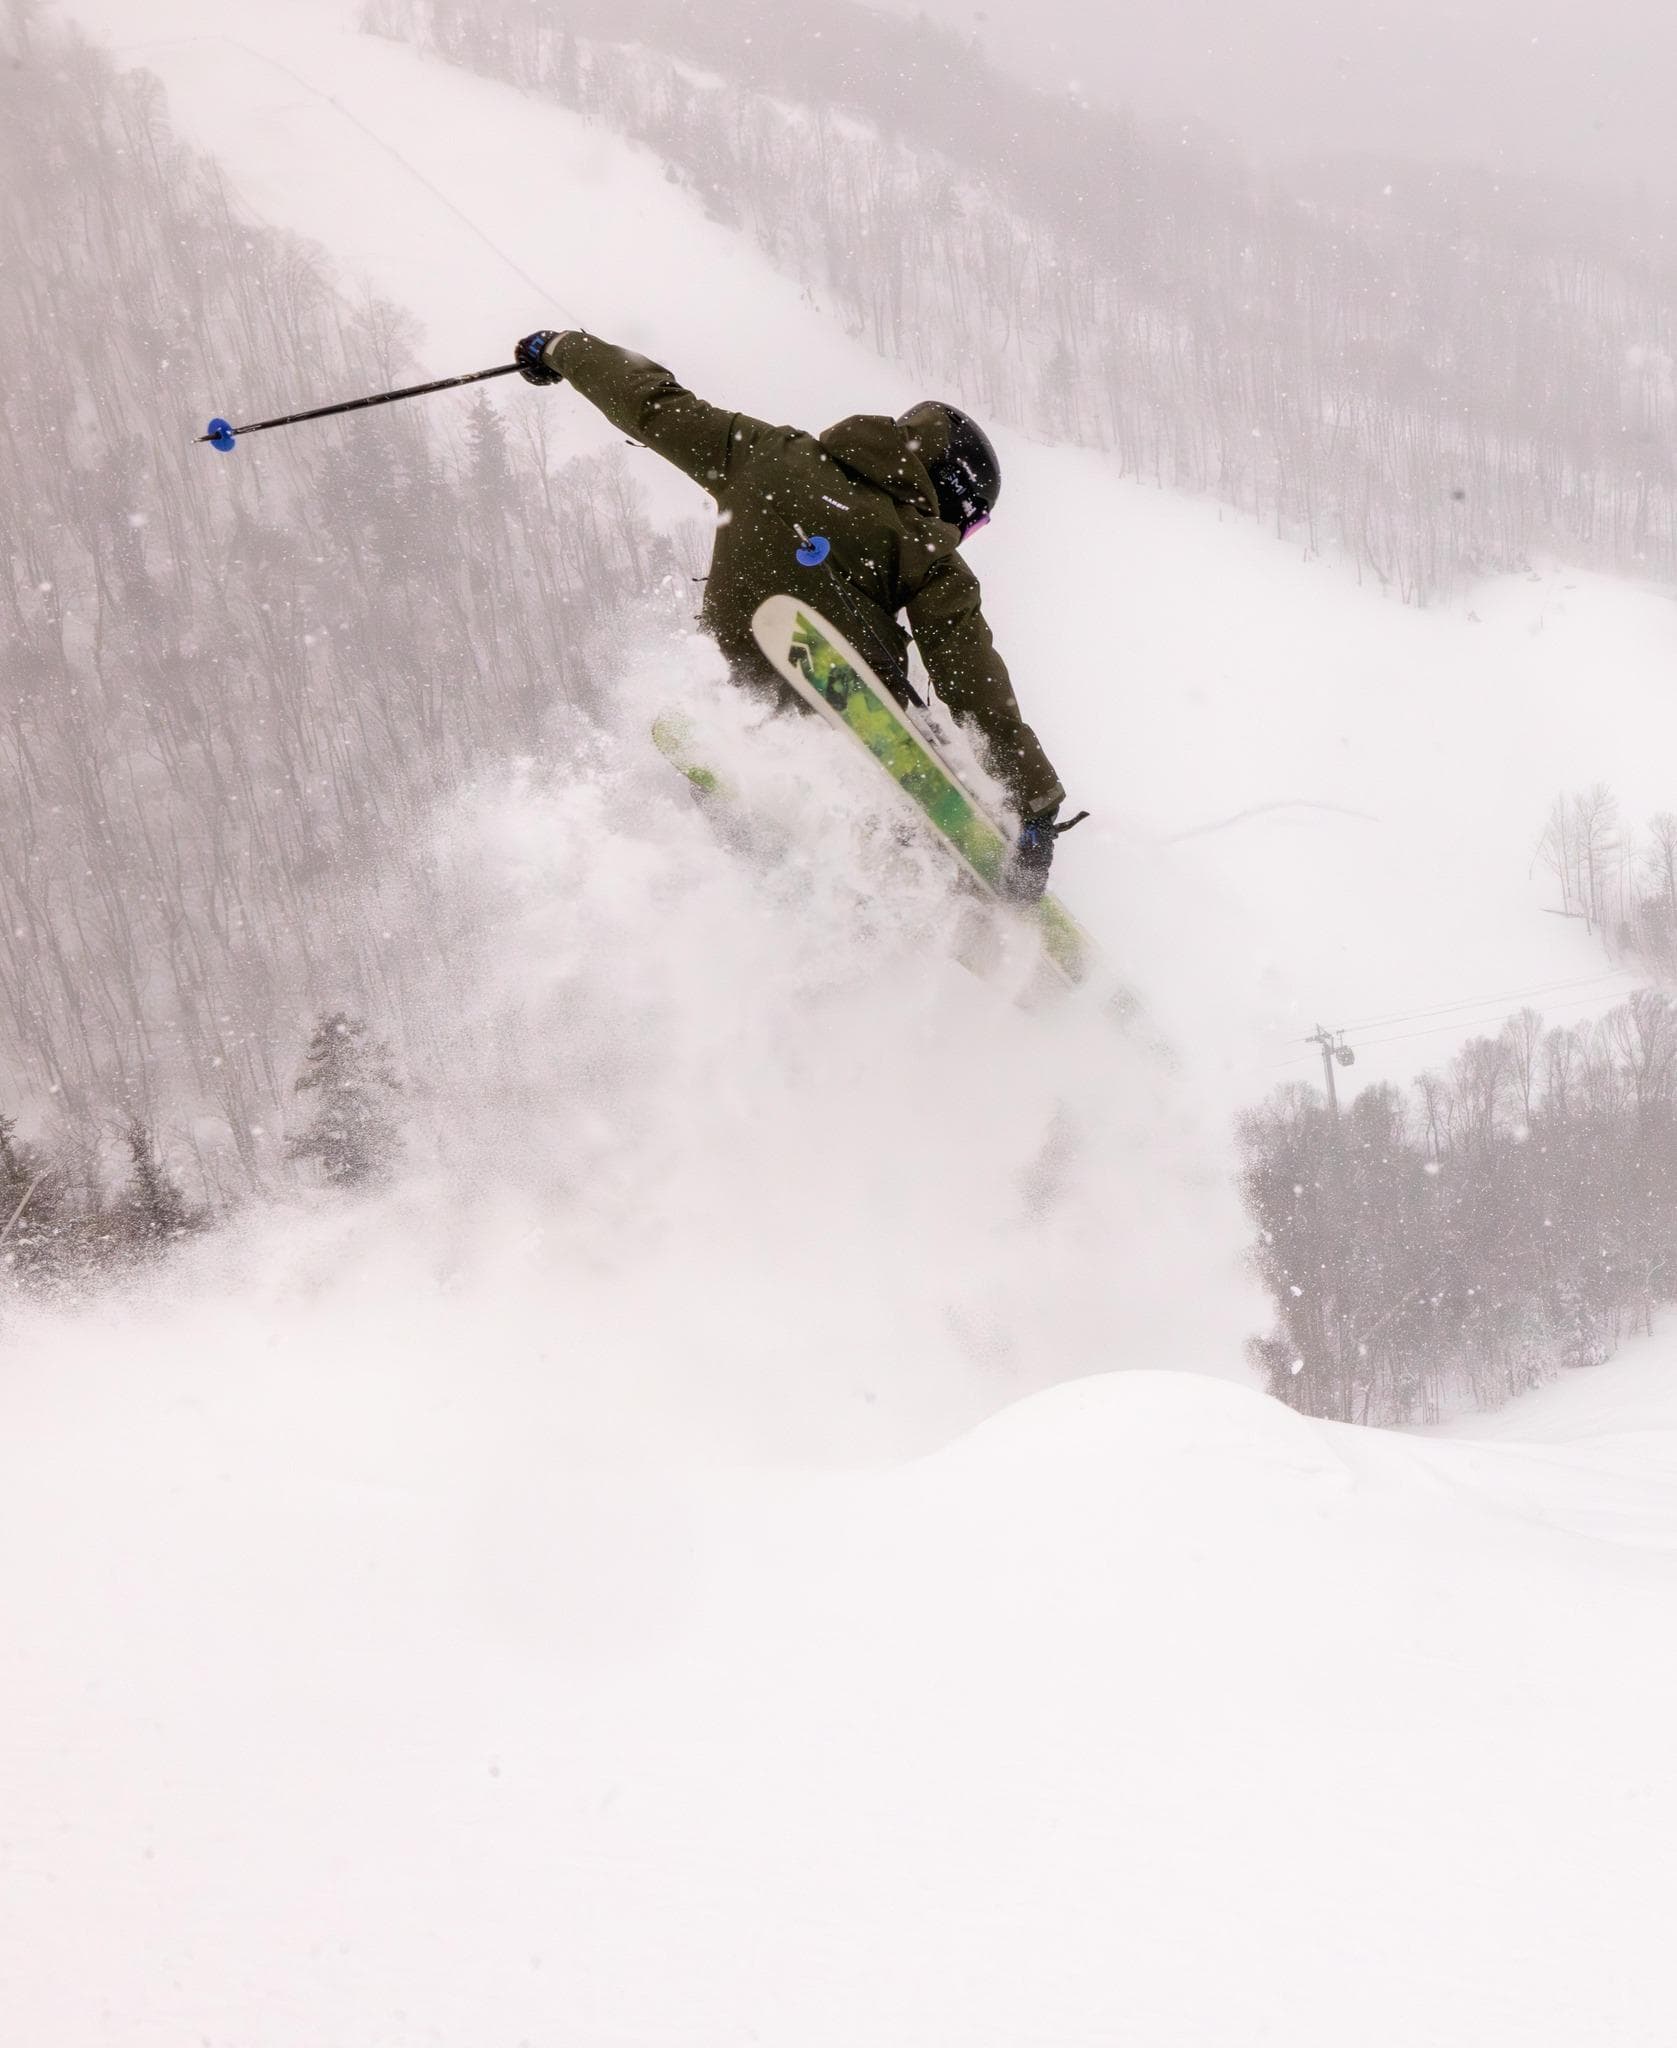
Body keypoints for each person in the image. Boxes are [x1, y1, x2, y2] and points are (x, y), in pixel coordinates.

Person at [514, 328, 1079, 898]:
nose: (963, 535)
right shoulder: (927, 548)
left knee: (764, 840)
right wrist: (1034, 802)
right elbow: (968, 674)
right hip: (843, 710)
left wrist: (563, 349)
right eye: (972, 523)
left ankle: (778, 863)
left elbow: (655, 405)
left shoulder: (760, 451)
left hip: (739, 682)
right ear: (953, 492)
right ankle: (914, 871)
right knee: (922, 744)